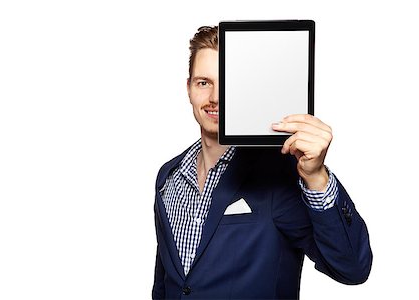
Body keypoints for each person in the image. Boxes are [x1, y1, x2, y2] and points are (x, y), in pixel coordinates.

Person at [152, 25, 372, 300]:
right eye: (204, 82)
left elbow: (352, 269)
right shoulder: (167, 177)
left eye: (228, 84)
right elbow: (165, 283)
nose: (215, 97)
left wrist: (317, 178)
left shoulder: (277, 175)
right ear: (188, 88)